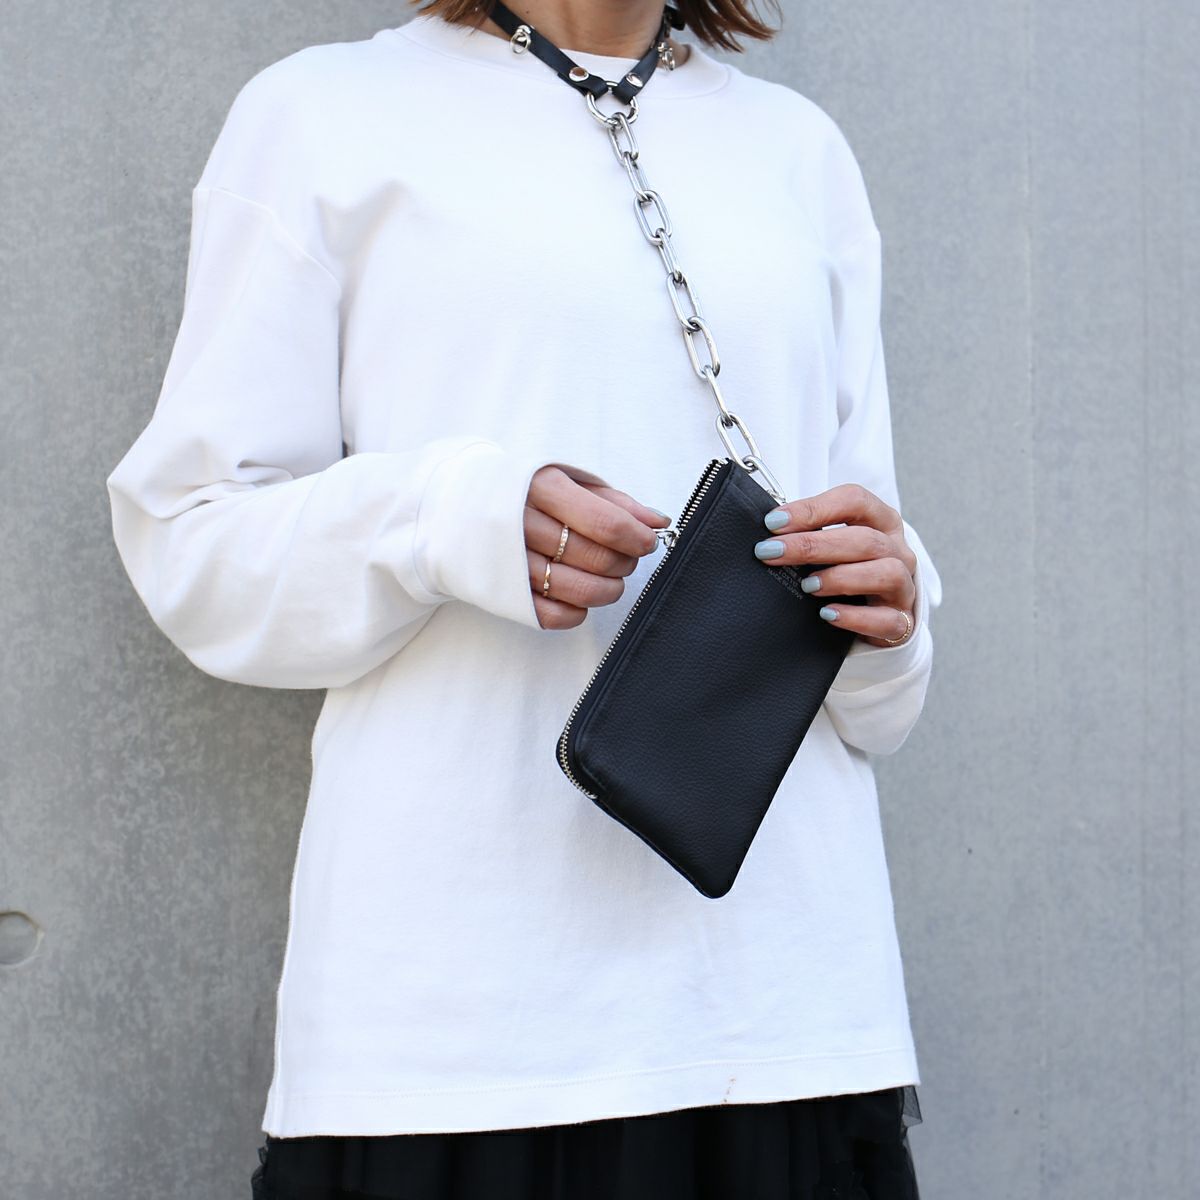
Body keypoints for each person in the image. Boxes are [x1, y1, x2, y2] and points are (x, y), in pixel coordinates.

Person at [105, 0, 942, 1196]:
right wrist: (450, 520)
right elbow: (192, 546)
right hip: (461, 1034)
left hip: (787, 1017)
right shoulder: (321, 117)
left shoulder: (800, 150)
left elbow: (879, 700)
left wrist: (888, 609)